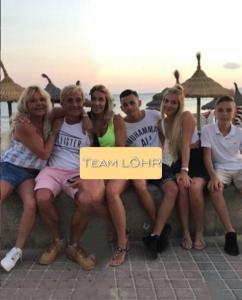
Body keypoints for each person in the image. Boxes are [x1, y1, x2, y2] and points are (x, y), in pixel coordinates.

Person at [34, 84, 107, 270]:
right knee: (42, 198)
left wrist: (84, 115)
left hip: (77, 172)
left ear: (84, 102)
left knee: (86, 200)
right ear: (62, 102)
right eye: (70, 100)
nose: (75, 104)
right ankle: (57, 241)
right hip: (53, 170)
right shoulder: (55, 120)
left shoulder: (90, 124)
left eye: (79, 100)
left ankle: (73, 246)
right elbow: (43, 111)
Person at [0, 86, 61, 272]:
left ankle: (17, 251)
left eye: (42, 100)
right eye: (33, 101)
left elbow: (68, 107)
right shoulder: (23, 124)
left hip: (31, 174)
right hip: (10, 168)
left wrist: (82, 116)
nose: (38, 104)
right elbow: (43, 153)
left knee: (31, 205)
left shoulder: (49, 118)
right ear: (26, 104)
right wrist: (54, 132)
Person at [120, 89, 177, 259]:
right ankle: (162, 227)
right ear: (122, 108)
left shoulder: (153, 115)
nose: (129, 107)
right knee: (138, 185)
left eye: (132, 102)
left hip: (159, 162)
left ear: (139, 102)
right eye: (125, 104)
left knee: (173, 190)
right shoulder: (122, 125)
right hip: (139, 164)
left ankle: (155, 235)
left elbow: (167, 130)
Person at [158, 85, 208, 251]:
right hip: (180, 162)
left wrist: (184, 170)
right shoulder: (162, 124)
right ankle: (186, 233)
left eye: (174, 102)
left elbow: (186, 144)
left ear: (180, 104)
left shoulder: (186, 116)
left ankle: (199, 233)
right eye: (166, 101)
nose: (169, 105)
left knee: (193, 187)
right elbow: (165, 149)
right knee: (180, 186)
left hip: (195, 160)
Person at [201, 95, 242, 256]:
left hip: (239, 166)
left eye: (228, 110)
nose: (224, 113)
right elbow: (207, 156)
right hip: (220, 168)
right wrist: (213, 176)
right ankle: (230, 233)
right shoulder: (207, 130)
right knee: (215, 189)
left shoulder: (239, 132)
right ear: (215, 113)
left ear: (234, 113)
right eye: (221, 110)